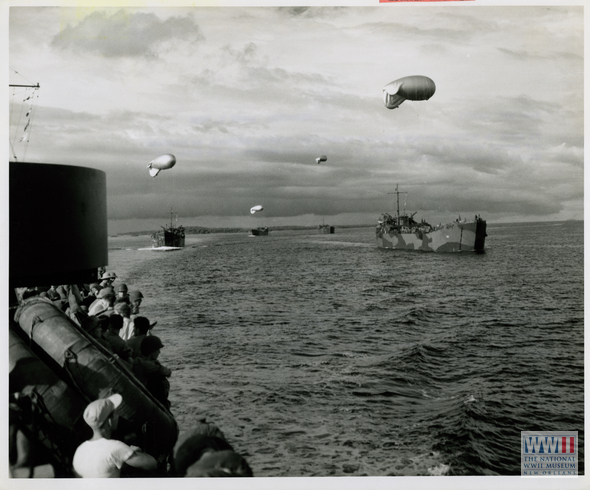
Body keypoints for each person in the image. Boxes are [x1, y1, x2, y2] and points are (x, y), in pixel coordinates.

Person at [72, 394, 157, 478]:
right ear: (109, 421)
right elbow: (152, 464)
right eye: (116, 413)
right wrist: (135, 452)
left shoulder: (79, 451)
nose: (118, 416)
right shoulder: (115, 447)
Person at [132, 336, 171, 409]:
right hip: (147, 400)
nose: (159, 352)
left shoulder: (143, 361)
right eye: (157, 349)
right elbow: (167, 372)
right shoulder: (145, 364)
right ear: (151, 351)